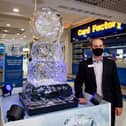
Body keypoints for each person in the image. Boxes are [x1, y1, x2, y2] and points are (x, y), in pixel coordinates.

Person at [74, 38, 123, 126]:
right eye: (95, 46)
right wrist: (80, 96)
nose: (98, 48)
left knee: (108, 123)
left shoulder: (111, 63)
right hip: (93, 99)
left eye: (100, 46)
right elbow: (78, 82)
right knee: (94, 122)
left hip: (108, 100)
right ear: (91, 48)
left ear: (103, 47)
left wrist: (119, 104)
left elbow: (116, 85)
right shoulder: (84, 64)